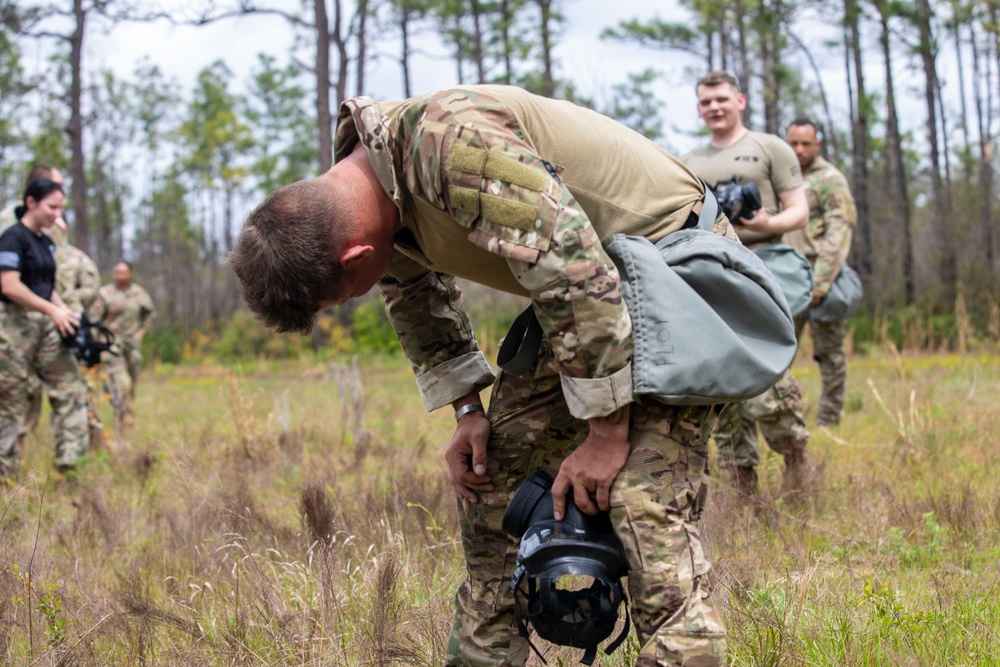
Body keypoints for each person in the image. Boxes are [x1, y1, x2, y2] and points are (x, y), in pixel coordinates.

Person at [230, 85, 735, 666]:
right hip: (589, 300)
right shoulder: (362, 193)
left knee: (642, 502)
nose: (349, 302)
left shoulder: (453, 148)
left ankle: (684, 646)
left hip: (676, 273)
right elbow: (413, 292)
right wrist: (468, 411)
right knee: (494, 488)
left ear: (352, 258)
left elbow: (574, 268)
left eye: (340, 298)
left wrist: (606, 432)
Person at [682, 71, 812, 497]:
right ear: (698, 108)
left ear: (739, 100)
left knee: (768, 370)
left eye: (721, 99)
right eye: (705, 102)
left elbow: (800, 211)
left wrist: (767, 221)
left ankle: (796, 460)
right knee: (722, 376)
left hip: (763, 261)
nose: (713, 107)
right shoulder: (689, 160)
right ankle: (742, 483)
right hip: (713, 270)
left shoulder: (769, 147)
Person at [0, 178, 90, 482]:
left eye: (61, 208)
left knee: (70, 388)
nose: (57, 215)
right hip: (14, 326)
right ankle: (5, 476)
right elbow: (10, 286)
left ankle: (70, 467)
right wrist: (52, 310)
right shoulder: (12, 238)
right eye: (52, 207)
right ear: (31, 203)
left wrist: (65, 311)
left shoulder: (47, 242)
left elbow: (46, 287)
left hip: (48, 324)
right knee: (10, 400)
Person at [785, 119, 857, 427]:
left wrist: (821, 282)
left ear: (817, 144)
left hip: (820, 278)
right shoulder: (784, 177)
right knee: (780, 349)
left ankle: (829, 419)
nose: (799, 150)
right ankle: (785, 418)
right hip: (787, 277)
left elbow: (839, 231)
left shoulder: (829, 179)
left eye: (805, 143)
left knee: (830, 354)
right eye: (793, 143)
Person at [91, 261, 155, 432]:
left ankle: (123, 412)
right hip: (111, 346)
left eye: (123, 272)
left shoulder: (138, 293)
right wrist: (96, 345)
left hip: (132, 346)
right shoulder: (105, 294)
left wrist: (141, 332)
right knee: (122, 383)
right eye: (117, 272)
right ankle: (127, 421)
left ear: (130, 273)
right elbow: (94, 320)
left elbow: (149, 314)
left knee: (131, 383)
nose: (119, 275)